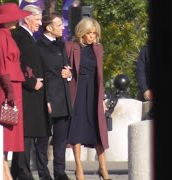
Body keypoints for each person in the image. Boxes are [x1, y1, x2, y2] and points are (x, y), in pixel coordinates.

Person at [0, 3, 31, 180]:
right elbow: (2, 65)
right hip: (6, 86)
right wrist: (9, 89)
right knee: (4, 129)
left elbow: (10, 62)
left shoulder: (6, 35)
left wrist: (23, 71)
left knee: (9, 130)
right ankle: (4, 173)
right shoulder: (0, 36)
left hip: (12, 84)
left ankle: (5, 171)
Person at [65, 18, 111, 180]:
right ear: (81, 33)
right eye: (89, 33)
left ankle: (103, 168)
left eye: (94, 33)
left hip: (94, 92)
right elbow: (65, 70)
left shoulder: (98, 49)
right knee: (76, 129)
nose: (92, 36)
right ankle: (79, 168)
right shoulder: (71, 47)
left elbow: (100, 77)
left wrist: (103, 99)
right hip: (77, 92)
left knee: (98, 130)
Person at [10, 5, 52, 180]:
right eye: (38, 19)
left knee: (29, 134)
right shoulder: (18, 35)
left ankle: (18, 171)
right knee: (25, 134)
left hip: (34, 95)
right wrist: (31, 82)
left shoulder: (28, 37)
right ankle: (23, 172)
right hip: (26, 93)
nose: (40, 23)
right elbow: (15, 63)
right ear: (27, 18)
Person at [37, 13, 73, 180]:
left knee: (60, 140)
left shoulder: (61, 45)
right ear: (49, 28)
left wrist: (69, 74)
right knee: (43, 140)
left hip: (63, 99)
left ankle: (60, 172)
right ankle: (44, 174)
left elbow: (66, 68)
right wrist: (46, 99)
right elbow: (41, 74)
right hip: (48, 99)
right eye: (59, 25)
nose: (63, 27)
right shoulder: (39, 46)